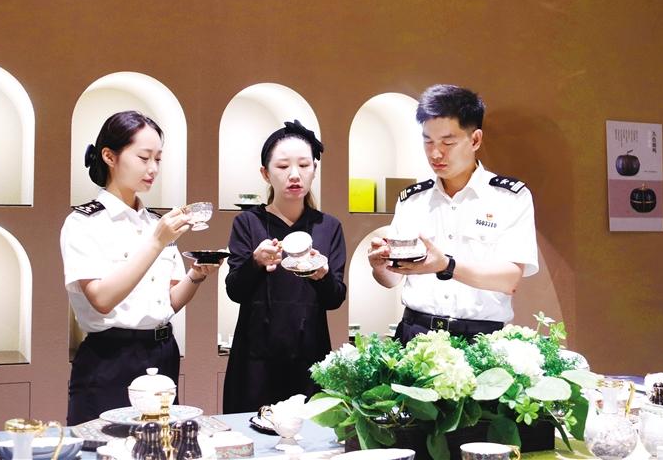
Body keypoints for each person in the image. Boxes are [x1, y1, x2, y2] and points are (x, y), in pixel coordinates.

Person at [60, 110, 221, 425]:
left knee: (162, 442)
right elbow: (101, 299)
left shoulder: (155, 222)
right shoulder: (84, 222)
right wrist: (156, 242)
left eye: (158, 159)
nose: (153, 168)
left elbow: (169, 302)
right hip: (109, 357)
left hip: (162, 350)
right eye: (144, 158)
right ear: (109, 156)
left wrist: (196, 275)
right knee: (104, 443)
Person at [368, 85, 538, 345]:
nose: (435, 153)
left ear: (475, 140)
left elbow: (509, 279)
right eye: (428, 141)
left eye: (448, 143)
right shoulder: (412, 199)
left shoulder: (510, 197)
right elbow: (392, 279)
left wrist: (446, 265)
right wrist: (380, 265)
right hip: (415, 333)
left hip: (481, 340)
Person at [223, 120, 347, 413]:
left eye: (304, 165)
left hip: (311, 358)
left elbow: (335, 298)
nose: (294, 174)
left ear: (314, 169)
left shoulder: (328, 226)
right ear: (265, 173)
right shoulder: (248, 223)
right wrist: (255, 261)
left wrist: (322, 275)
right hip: (255, 361)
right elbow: (235, 291)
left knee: (312, 435)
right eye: (282, 166)